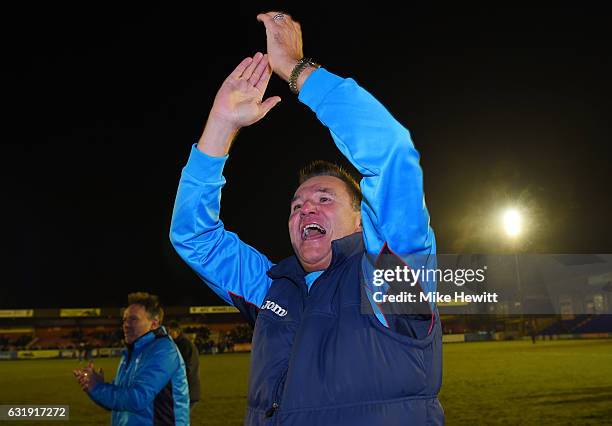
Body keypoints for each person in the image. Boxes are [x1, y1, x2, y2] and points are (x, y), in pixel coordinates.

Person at [170, 11, 443, 425]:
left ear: (361, 221)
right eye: (296, 205)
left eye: (323, 198)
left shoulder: (389, 277)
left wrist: (296, 70)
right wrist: (221, 126)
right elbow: (194, 238)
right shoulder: (270, 288)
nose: (306, 209)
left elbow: (390, 153)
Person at [73, 292, 190, 425]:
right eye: (124, 320)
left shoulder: (163, 350)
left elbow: (137, 398)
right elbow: (120, 400)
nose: (126, 325)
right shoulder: (132, 351)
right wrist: (98, 386)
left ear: (154, 323)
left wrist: (97, 387)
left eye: (133, 319)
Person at [167, 321, 201, 411]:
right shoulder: (176, 344)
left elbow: (189, 368)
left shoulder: (186, 345)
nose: (169, 335)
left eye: (170, 332)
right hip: (182, 389)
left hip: (187, 390)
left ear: (177, 332)